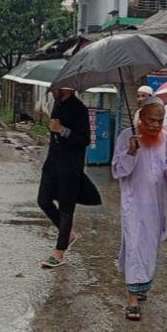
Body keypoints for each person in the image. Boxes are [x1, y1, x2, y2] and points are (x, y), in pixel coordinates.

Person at [112, 99, 167, 321]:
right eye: (151, 120)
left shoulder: (164, 138)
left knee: (150, 247)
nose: (155, 125)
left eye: (160, 121)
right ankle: (132, 300)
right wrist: (130, 153)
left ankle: (141, 285)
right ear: (141, 118)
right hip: (133, 204)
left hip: (156, 204)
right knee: (134, 246)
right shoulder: (126, 136)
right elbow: (117, 169)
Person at [37, 87, 102, 268]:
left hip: (70, 166)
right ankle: (69, 235)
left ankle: (59, 252)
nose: (52, 90)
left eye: (56, 87)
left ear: (69, 88)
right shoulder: (58, 103)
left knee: (66, 208)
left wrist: (62, 130)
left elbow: (85, 139)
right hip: (52, 162)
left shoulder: (79, 108)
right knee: (43, 200)